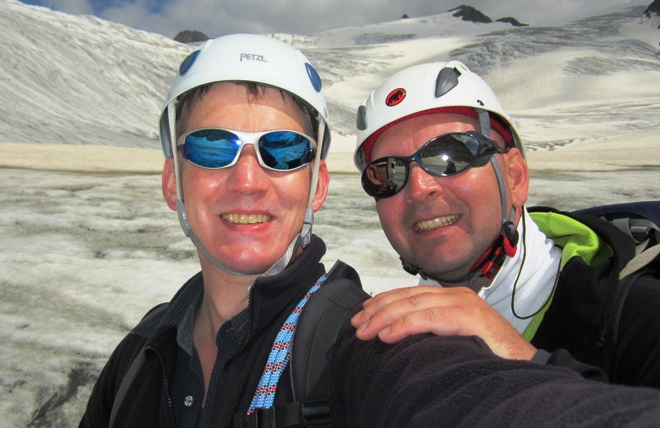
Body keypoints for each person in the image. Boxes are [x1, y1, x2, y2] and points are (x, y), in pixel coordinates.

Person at [79, 35, 660, 428]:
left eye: (283, 151)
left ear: (318, 186)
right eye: (212, 147)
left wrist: (523, 359)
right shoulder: (139, 356)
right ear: (172, 182)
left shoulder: (360, 344)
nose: (248, 180)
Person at [350, 60, 660, 387]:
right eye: (387, 173)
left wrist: (522, 359)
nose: (419, 188)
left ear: (514, 178)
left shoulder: (643, 320)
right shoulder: (388, 342)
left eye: (451, 155)